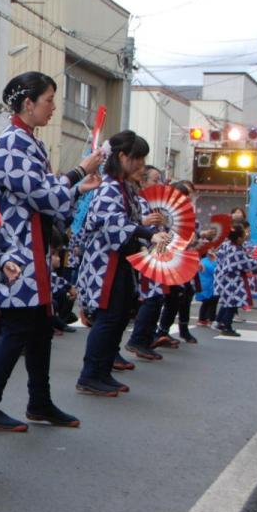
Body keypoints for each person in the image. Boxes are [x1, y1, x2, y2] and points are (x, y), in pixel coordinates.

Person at [0, 72, 101, 433]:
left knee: (39, 327)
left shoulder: (26, 141)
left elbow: (49, 197)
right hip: (16, 250)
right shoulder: (13, 142)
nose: (53, 107)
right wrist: (77, 173)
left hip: (32, 249)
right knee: (17, 327)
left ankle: (38, 401)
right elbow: (45, 195)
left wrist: (74, 184)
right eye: (48, 100)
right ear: (28, 103)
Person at [73, 131, 169, 397]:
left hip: (120, 261)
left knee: (118, 317)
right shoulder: (109, 187)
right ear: (123, 157)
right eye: (137, 159)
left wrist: (152, 232)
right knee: (108, 318)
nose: (141, 165)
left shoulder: (124, 187)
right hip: (105, 263)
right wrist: (148, 233)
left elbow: (132, 223)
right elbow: (114, 224)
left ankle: (103, 371)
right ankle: (90, 374)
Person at [155, 181, 199, 345]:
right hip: (167, 258)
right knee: (170, 295)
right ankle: (160, 331)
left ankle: (176, 329)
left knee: (185, 293)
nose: (187, 198)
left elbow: (192, 235)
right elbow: (162, 234)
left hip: (183, 258)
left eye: (189, 195)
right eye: (184, 195)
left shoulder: (186, 213)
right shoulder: (165, 212)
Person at [213, 226, 254, 336]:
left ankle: (219, 321)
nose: (246, 236)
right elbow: (246, 264)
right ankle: (227, 326)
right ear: (239, 238)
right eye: (244, 234)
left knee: (228, 301)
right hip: (232, 279)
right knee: (233, 302)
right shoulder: (236, 250)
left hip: (222, 276)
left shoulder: (226, 245)